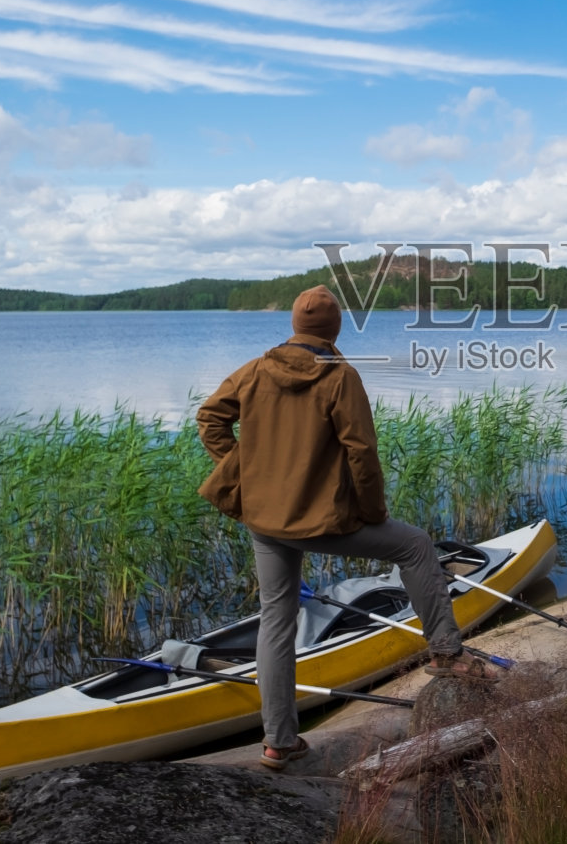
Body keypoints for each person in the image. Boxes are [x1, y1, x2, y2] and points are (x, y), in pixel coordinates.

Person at [196, 284, 496, 770]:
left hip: (266, 520)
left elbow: (209, 417)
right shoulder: (340, 376)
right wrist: (373, 512)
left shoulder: (255, 369)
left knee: (276, 619)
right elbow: (362, 452)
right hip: (320, 520)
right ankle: (444, 654)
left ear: (295, 325)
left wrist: (246, 474)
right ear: (332, 330)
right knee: (416, 545)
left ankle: (277, 742)